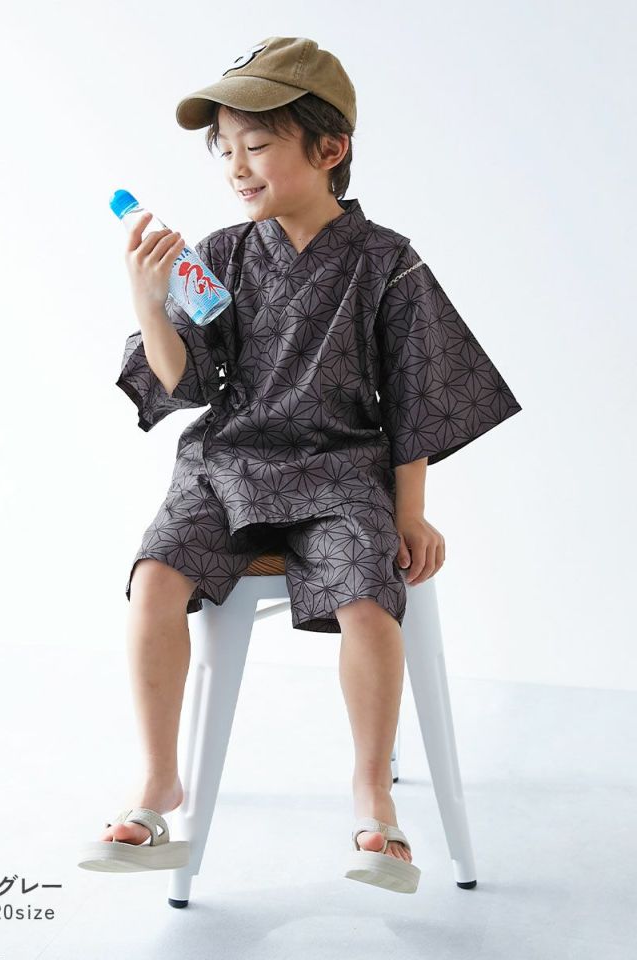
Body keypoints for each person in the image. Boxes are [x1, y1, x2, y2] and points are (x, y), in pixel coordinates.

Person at [79, 37, 522, 893]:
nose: (237, 168)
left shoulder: (387, 260)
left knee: (368, 595)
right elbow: (186, 384)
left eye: (256, 145)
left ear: (330, 148)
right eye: (225, 151)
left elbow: (417, 392)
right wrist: (149, 299)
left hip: (342, 471)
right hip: (227, 464)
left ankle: (371, 797)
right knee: (155, 576)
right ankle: (158, 780)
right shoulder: (221, 254)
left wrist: (410, 511)